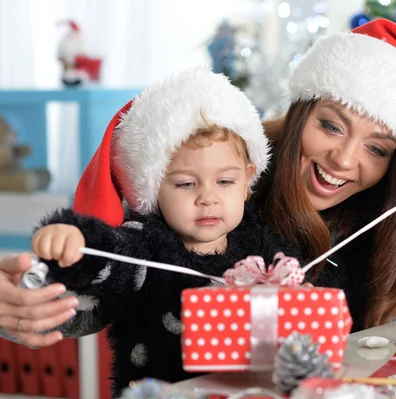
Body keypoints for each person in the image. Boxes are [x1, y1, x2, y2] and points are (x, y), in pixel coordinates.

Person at [0, 19, 396, 345]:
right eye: (331, 125)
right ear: (302, 110)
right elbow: (111, 281)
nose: (344, 159)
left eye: (377, 148)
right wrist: (40, 307)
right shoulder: (224, 174)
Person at [2, 67, 299, 395]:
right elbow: (105, 262)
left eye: (225, 182)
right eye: (186, 184)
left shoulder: (260, 246)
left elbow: (299, 302)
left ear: (247, 182)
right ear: (153, 190)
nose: (208, 198)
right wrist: (76, 243)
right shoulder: (144, 246)